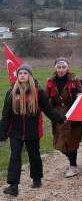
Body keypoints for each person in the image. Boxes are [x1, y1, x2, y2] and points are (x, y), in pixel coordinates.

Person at [0, 64, 66, 196]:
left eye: (25, 73)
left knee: (34, 156)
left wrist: (62, 119)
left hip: (33, 131)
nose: (22, 75)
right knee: (15, 157)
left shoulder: (38, 92)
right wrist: (2, 133)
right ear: (17, 76)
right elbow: (6, 115)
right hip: (16, 132)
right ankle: (13, 186)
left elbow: (49, 110)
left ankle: (37, 179)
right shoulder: (11, 92)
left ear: (30, 75)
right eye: (20, 73)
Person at [45, 58, 82, 178]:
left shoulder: (74, 80)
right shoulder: (51, 82)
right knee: (60, 140)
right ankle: (72, 162)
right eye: (59, 67)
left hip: (71, 112)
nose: (61, 70)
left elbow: (81, 94)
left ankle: (73, 166)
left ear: (67, 68)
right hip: (57, 114)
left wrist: (79, 95)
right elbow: (44, 97)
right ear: (56, 68)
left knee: (71, 139)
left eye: (64, 67)